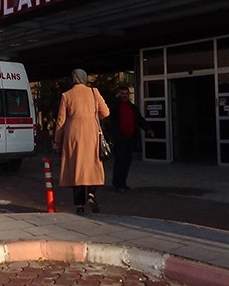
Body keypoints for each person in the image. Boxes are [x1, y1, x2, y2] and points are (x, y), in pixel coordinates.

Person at [53, 69, 110, 215]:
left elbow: (61, 121)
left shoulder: (66, 96)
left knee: (76, 168)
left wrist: (57, 141)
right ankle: (91, 195)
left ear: (73, 79)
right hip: (91, 133)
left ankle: (79, 205)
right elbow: (106, 112)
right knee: (92, 166)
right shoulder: (93, 92)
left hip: (73, 135)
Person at [106, 84, 154, 192]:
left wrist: (148, 129)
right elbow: (108, 110)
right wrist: (115, 98)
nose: (124, 96)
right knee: (120, 161)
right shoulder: (116, 106)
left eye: (126, 94)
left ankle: (123, 183)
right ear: (119, 95)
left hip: (130, 138)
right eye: (122, 94)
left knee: (127, 161)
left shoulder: (132, 107)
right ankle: (117, 183)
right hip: (120, 138)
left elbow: (140, 119)